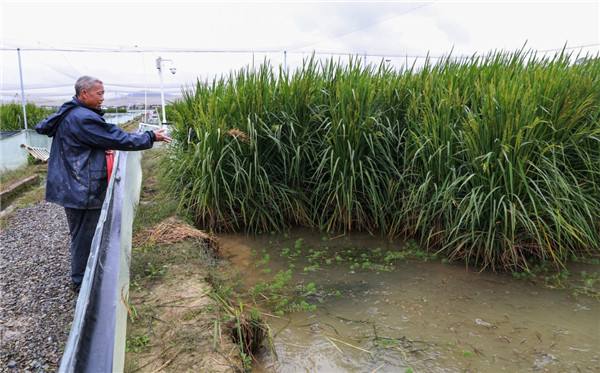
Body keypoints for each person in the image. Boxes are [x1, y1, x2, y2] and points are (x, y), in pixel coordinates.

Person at [35, 76, 171, 291]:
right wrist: (150, 136)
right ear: (84, 94)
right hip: (80, 186)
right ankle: (82, 283)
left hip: (71, 183)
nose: (103, 98)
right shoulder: (83, 118)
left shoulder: (72, 113)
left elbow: (92, 142)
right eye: (99, 93)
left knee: (81, 232)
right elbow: (117, 138)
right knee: (84, 235)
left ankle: (85, 276)